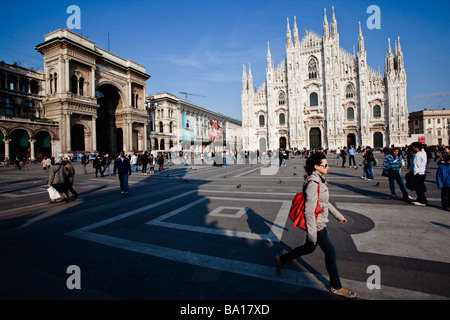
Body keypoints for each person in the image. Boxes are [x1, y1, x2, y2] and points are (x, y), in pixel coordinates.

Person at [275, 152, 356, 298]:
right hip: (317, 225)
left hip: (319, 221)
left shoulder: (319, 179)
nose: (328, 167)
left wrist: (339, 216)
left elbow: (324, 203)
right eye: (325, 165)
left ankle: (282, 259)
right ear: (316, 167)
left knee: (309, 248)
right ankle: (336, 286)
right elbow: (309, 212)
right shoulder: (313, 183)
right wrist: (312, 234)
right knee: (330, 253)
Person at [410, 142, 428, 206]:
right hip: (422, 172)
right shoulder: (423, 153)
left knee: (418, 187)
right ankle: (422, 199)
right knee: (420, 187)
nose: (412, 148)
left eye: (413, 147)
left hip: (418, 173)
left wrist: (414, 174)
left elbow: (416, 165)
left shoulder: (418, 155)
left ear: (416, 147)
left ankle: (422, 201)